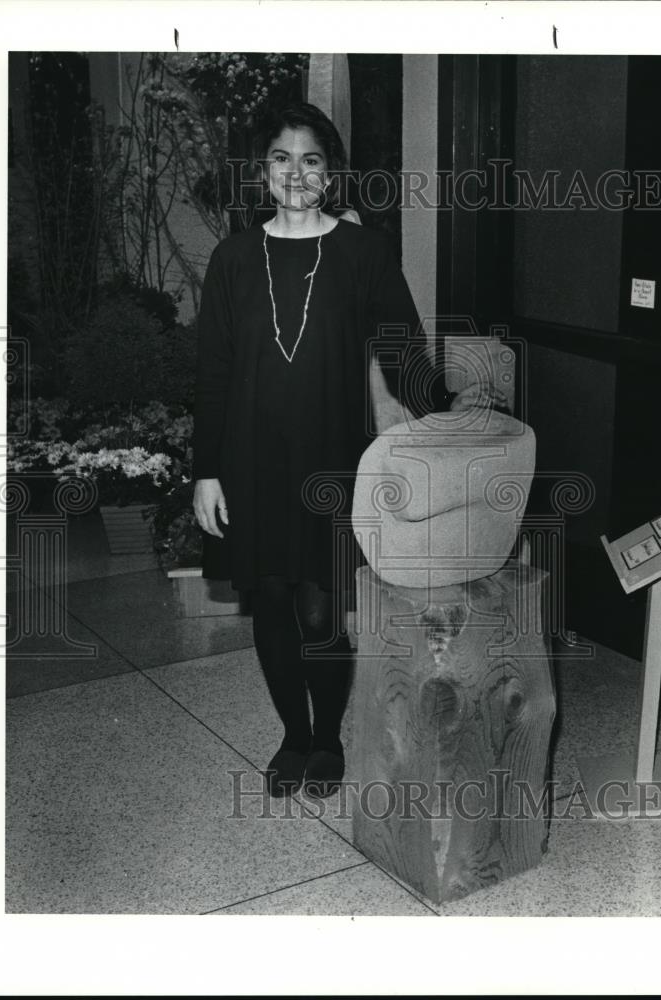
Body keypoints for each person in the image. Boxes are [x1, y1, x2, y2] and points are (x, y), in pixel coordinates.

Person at [192, 102, 447, 799]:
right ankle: (292, 737)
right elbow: (211, 372)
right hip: (247, 460)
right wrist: (205, 471)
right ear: (263, 171)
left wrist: (452, 425)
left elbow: (402, 353)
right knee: (270, 600)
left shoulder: (363, 252)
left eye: (310, 159)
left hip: (331, 458)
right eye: (281, 158)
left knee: (317, 608)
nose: (295, 173)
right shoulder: (234, 258)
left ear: (328, 172)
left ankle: (327, 736)